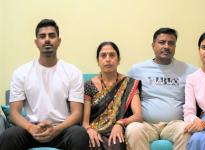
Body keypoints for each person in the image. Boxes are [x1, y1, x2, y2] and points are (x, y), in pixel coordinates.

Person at [0, 19, 89, 150]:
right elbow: (14, 112)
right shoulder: (21, 73)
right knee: (8, 136)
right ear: (36, 42)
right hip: (31, 130)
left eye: (52, 36)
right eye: (42, 36)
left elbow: (77, 113)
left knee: (79, 134)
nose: (47, 40)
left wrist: (56, 129)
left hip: (62, 130)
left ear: (59, 41)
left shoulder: (73, 72)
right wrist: (31, 128)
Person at [126, 28, 196, 150]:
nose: (166, 46)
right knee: (133, 130)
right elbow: (124, 95)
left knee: (187, 130)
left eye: (171, 43)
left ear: (175, 46)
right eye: (162, 42)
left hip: (175, 124)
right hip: (146, 124)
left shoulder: (188, 70)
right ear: (153, 46)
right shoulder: (137, 70)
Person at [82, 41, 143, 150]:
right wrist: (89, 130)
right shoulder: (88, 85)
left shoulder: (129, 83)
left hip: (117, 129)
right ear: (98, 60)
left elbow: (138, 116)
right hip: (95, 131)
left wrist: (120, 124)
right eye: (103, 55)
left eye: (112, 55)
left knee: (117, 142)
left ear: (118, 60)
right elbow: (85, 122)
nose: (108, 59)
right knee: (93, 143)